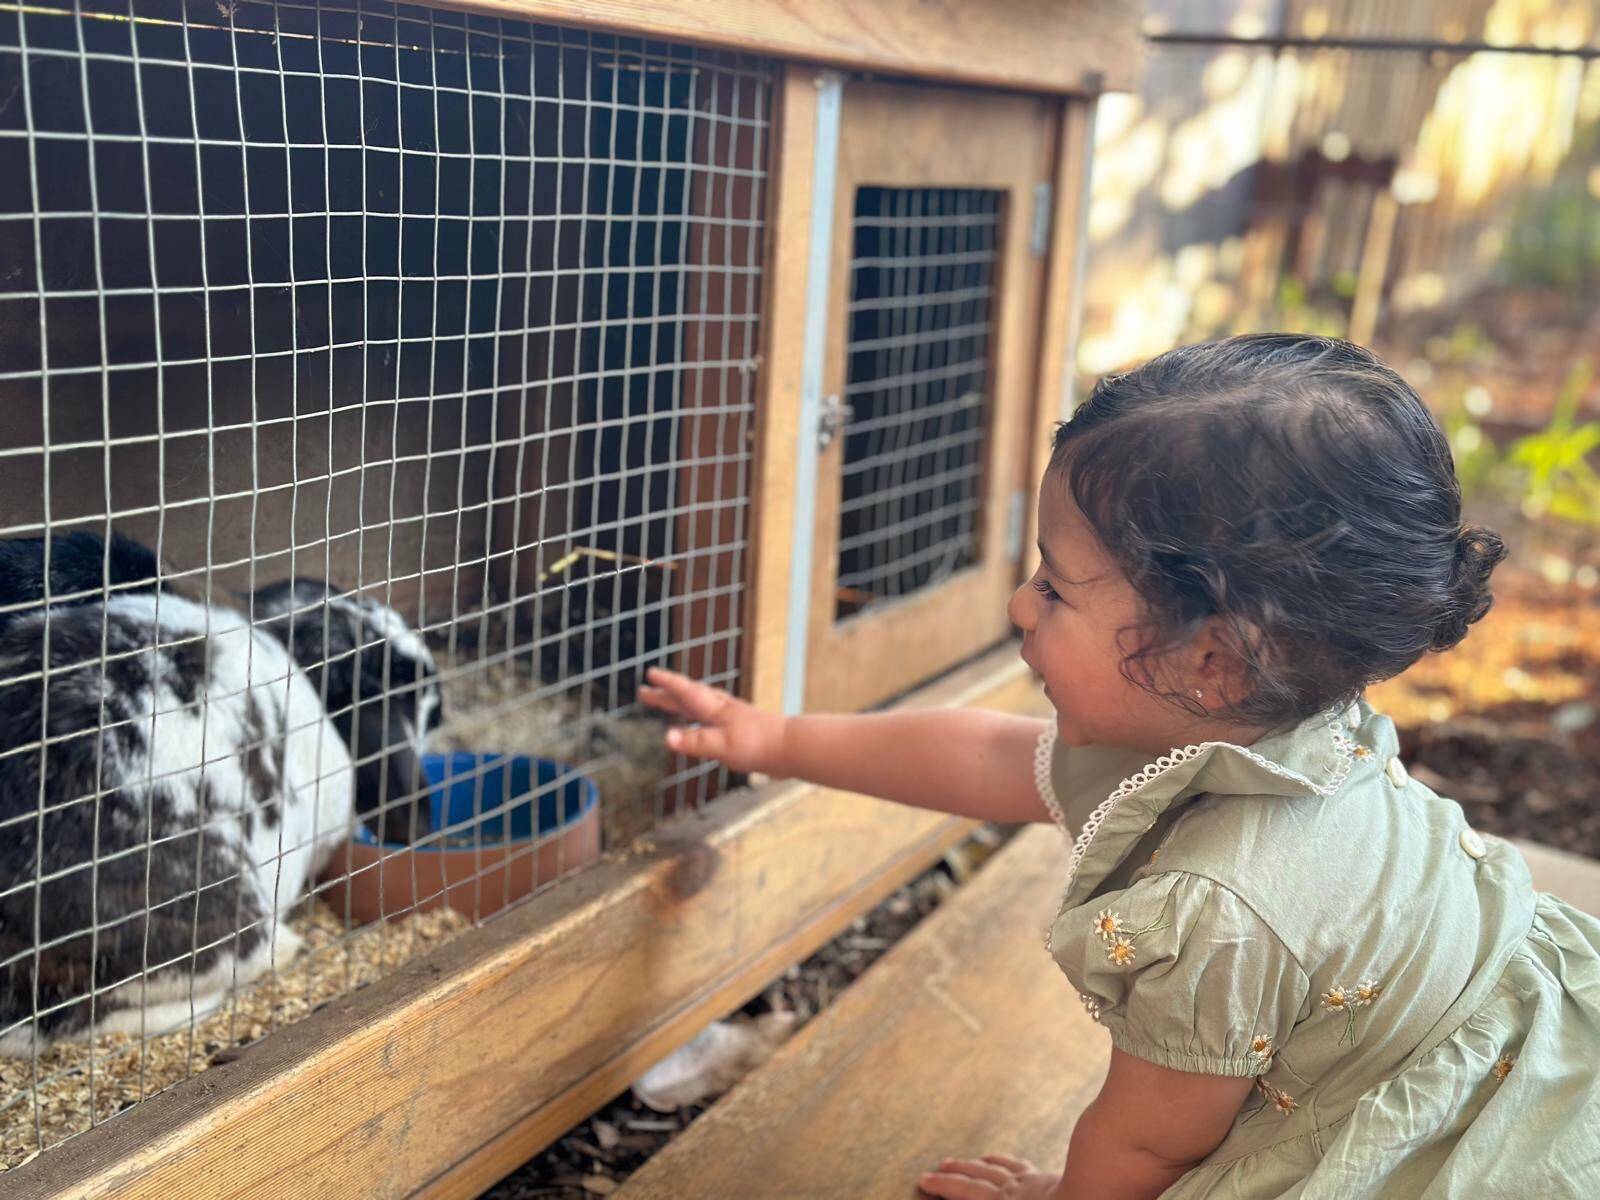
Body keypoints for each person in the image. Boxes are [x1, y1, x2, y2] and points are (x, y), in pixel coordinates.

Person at [639, 334, 1600, 1199]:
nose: (1019, 606)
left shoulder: (1221, 906)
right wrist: (771, 739)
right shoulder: (1286, 715)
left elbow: (1149, 1149)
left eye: (1054, 587)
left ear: (1211, 661)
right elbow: (985, 755)